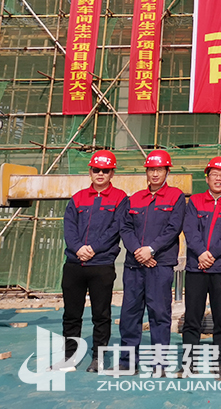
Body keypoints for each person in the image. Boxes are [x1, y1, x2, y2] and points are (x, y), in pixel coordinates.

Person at [119, 150, 186, 374]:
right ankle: (128, 362)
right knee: (130, 314)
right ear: (146, 172)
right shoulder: (135, 198)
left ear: (167, 171)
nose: (155, 174)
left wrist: (151, 249)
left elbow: (173, 228)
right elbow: (125, 227)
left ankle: (159, 363)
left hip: (160, 265)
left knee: (159, 314)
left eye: (159, 169)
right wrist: (138, 251)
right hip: (134, 265)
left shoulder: (176, 197)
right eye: (151, 169)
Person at [60, 150, 127, 372]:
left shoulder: (120, 199)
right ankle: (69, 356)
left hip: (101, 265)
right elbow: (69, 227)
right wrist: (78, 248)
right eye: (96, 169)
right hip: (74, 264)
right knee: (71, 314)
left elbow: (115, 228)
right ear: (90, 171)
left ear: (112, 173)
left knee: (101, 314)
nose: (100, 174)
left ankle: (98, 356)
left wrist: (93, 249)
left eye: (105, 171)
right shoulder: (78, 198)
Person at [182, 156, 221, 379]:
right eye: (214, 174)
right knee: (192, 318)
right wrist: (201, 253)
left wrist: (212, 255)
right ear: (207, 178)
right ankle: (189, 364)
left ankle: (220, 363)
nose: (218, 178)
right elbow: (190, 230)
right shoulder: (195, 201)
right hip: (196, 268)